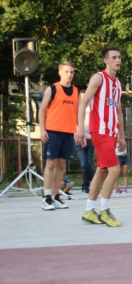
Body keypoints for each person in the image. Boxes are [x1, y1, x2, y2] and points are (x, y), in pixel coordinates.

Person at [74, 46, 126, 227]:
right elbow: (83, 102)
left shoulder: (118, 84)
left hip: (112, 133)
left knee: (102, 170)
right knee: (115, 171)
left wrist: (122, 136)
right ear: (105, 60)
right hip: (100, 131)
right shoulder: (98, 78)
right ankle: (104, 210)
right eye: (113, 57)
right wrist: (80, 128)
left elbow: (118, 111)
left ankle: (89, 210)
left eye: (119, 57)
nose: (117, 60)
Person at [38, 61, 78, 210]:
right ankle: (46, 197)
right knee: (51, 164)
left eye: (72, 72)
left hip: (68, 132)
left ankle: (55, 196)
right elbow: (42, 110)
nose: (69, 75)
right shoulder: (52, 89)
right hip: (53, 131)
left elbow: (76, 113)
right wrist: (43, 129)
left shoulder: (75, 91)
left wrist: (78, 130)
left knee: (61, 165)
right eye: (67, 71)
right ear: (60, 72)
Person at [75, 101, 95, 194]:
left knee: (88, 162)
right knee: (84, 162)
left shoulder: (93, 105)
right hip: (79, 137)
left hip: (91, 137)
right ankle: (94, 178)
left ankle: (85, 185)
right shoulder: (77, 106)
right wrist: (79, 134)